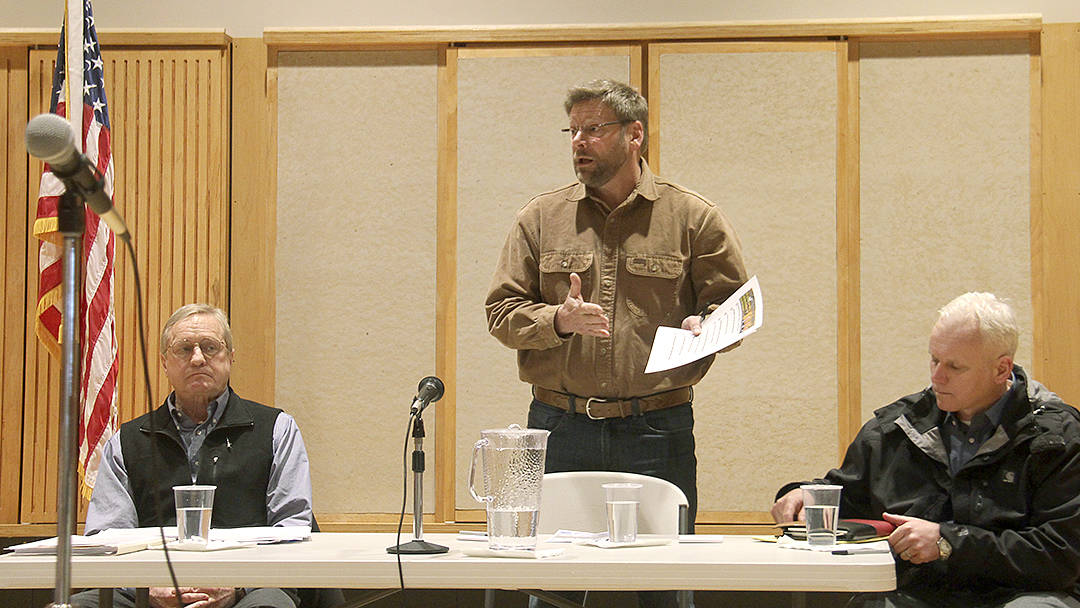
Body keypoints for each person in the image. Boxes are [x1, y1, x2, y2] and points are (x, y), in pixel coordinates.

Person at [485, 79, 747, 608]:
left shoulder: (691, 217)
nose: (579, 141)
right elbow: (501, 313)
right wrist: (559, 320)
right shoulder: (541, 218)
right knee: (553, 584)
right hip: (559, 428)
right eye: (573, 130)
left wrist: (707, 326)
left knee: (659, 585)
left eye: (593, 129)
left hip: (657, 428)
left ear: (635, 135)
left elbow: (735, 307)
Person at [771, 293, 1080, 608]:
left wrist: (949, 543)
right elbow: (848, 498)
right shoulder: (896, 428)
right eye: (934, 359)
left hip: (1019, 594)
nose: (937, 376)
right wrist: (803, 496)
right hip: (919, 594)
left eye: (955, 367)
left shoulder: (1056, 438)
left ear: (1001, 370)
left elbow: (1063, 555)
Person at [72, 304, 315, 608]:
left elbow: (292, 531)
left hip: (250, 589)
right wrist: (148, 588)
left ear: (231, 356)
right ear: (164, 362)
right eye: (184, 348)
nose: (198, 358)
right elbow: (107, 540)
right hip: (147, 590)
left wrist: (237, 585)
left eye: (211, 347)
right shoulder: (127, 441)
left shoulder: (277, 429)